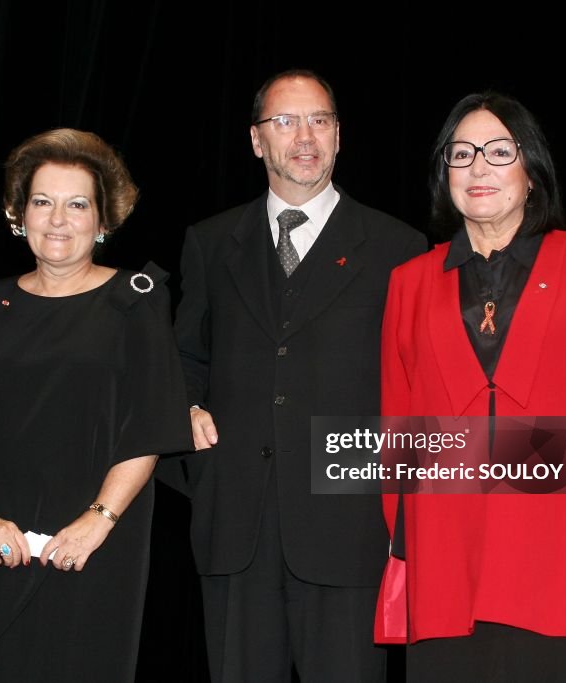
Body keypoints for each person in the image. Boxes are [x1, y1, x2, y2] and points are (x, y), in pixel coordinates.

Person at [374, 91, 566, 680]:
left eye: (499, 151)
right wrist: (405, 540)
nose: (478, 166)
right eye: (462, 153)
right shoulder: (408, 283)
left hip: (562, 557)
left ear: (531, 171)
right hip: (444, 562)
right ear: (444, 174)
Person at [163, 69, 426, 681]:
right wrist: (187, 404)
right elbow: (185, 357)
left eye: (320, 120)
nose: (304, 136)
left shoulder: (399, 247)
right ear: (257, 141)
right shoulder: (210, 242)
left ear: (339, 136)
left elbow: (419, 383)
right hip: (235, 525)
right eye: (285, 121)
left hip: (349, 526)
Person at [0, 128, 192, 682]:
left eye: (77, 205)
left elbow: (151, 422)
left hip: (94, 548)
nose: (57, 219)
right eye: (42, 202)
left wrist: (96, 522)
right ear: (18, 214)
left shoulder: (136, 300)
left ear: (102, 222)